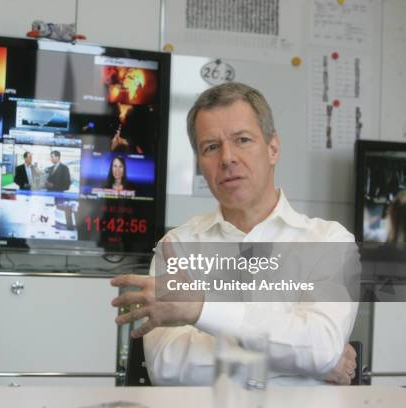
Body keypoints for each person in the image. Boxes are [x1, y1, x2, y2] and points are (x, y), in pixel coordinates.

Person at [110, 82, 359, 386]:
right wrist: (304, 361)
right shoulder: (177, 247)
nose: (227, 158)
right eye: (211, 147)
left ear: (273, 149)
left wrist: (200, 309)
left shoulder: (329, 241)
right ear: (201, 164)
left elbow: (321, 347)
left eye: (242, 140)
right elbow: (167, 366)